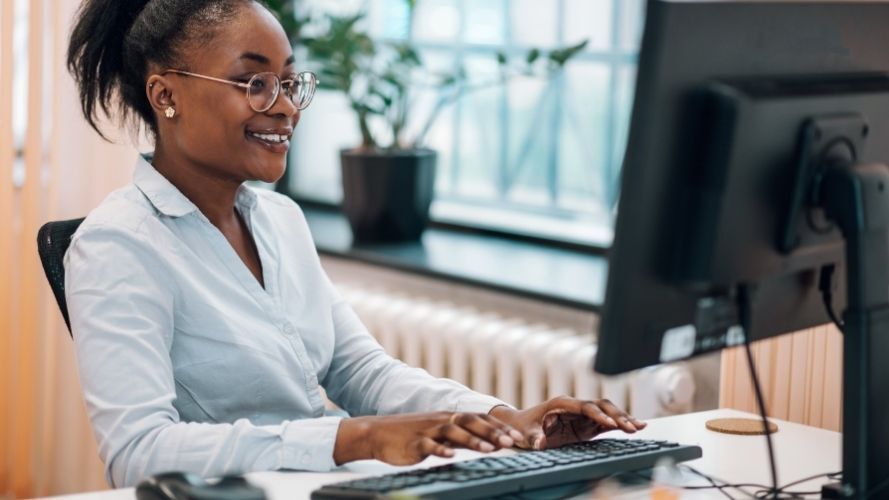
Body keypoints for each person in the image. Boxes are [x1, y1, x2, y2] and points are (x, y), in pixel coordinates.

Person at [64, 0, 646, 489]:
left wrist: (501, 417)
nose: (287, 106)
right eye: (255, 83)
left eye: (289, 82)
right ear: (166, 96)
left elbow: (360, 370)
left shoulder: (280, 220)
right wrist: (354, 437)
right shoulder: (118, 247)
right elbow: (137, 452)